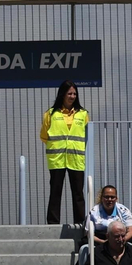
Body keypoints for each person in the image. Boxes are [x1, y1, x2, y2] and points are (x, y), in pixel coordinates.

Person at [41, 79, 89, 228]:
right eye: (69, 93)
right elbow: (44, 135)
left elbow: (86, 136)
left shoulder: (83, 114)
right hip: (57, 158)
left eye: (74, 93)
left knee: (78, 193)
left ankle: (80, 222)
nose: (72, 96)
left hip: (76, 158)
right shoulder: (50, 113)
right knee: (55, 191)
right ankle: (53, 223)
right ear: (62, 94)